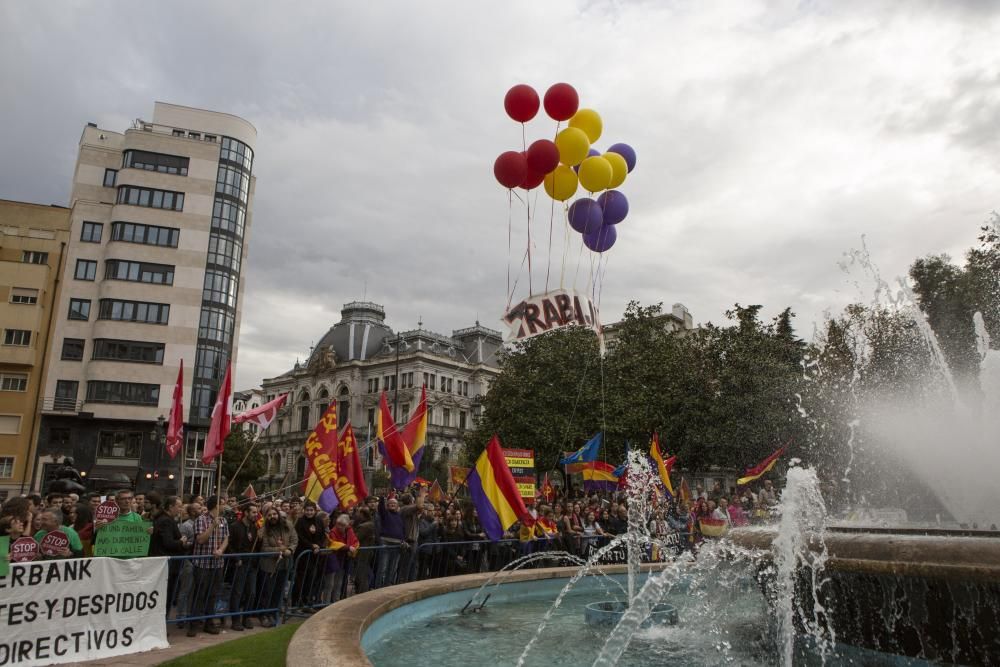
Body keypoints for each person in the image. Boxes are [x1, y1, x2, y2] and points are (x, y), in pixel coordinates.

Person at [187, 496, 229, 637]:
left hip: (217, 564)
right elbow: (200, 539)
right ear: (216, 506)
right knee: (200, 594)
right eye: (223, 504)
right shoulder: (201, 520)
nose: (225, 506)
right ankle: (194, 623)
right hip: (202, 564)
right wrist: (212, 526)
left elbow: (226, 538)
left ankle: (209, 623)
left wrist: (221, 550)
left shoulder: (224, 520)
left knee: (213, 595)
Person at [259, 507, 297, 627]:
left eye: (274, 514)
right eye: (269, 515)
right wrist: (279, 550)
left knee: (278, 591)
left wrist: (290, 550)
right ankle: (264, 615)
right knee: (267, 592)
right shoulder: (264, 530)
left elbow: (294, 540)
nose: (272, 517)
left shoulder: (288, 526)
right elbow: (264, 548)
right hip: (269, 566)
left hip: (284, 565)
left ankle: (273, 613)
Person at [149, 494, 188, 610]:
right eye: (179, 506)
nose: (181, 509)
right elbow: (168, 543)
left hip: (166, 564)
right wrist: (181, 542)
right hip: (166, 565)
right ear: (171, 507)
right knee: (166, 595)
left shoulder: (165, 519)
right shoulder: (166, 521)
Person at [227, 501, 260, 631]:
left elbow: (256, 546)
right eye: (253, 512)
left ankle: (246, 617)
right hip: (239, 564)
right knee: (237, 592)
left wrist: (260, 539)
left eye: (257, 512)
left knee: (251, 592)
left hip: (251, 564)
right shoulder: (235, 526)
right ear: (246, 512)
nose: (255, 515)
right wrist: (236, 558)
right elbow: (228, 545)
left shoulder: (254, 528)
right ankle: (235, 619)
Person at [292, 500, 326, 609]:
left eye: (311, 510)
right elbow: (300, 537)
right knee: (300, 580)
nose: (309, 512)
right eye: (307, 510)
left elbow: (322, 536)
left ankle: (307, 600)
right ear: (304, 510)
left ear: (315, 511)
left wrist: (318, 546)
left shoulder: (319, 521)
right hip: (303, 555)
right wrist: (312, 546)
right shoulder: (300, 521)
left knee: (311, 579)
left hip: (315, 556)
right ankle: (296, 601)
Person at [323, 512, 358, 603]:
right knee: (330, 584)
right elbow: (333, 543)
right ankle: (326, 603)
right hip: (333, 559)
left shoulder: (349, 531)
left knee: (339, 582)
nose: (339, 526)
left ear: (347, 525)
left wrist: (352, 549)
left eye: (342, 525)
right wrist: (347, 547)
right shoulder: (333, 531)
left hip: (343, 559)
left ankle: (336, 601)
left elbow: (355, 542)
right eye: (338, 524)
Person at [352, 506, 376, 594]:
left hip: (362, 553)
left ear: (362, 514)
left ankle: (361, 593)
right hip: (367, 552)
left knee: (361, 574)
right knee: (364, 573)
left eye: (358, 513)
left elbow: (356, 538)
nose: (356, 514)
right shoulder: (371, 523)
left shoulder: (363, 526)